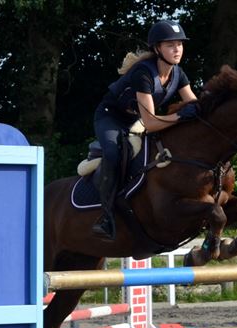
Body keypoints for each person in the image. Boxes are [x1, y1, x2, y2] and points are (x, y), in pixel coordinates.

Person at [91, 19, 200, 240]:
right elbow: (151, 122)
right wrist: (180, 116)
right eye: (170, 45)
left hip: (136, 120)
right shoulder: (143, 73)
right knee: (113, 153)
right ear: (157, 48)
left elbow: (196, 105)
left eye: (180, 44)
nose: (177, 49)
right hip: (111, 117)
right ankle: (106, 216)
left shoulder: (178, 73)